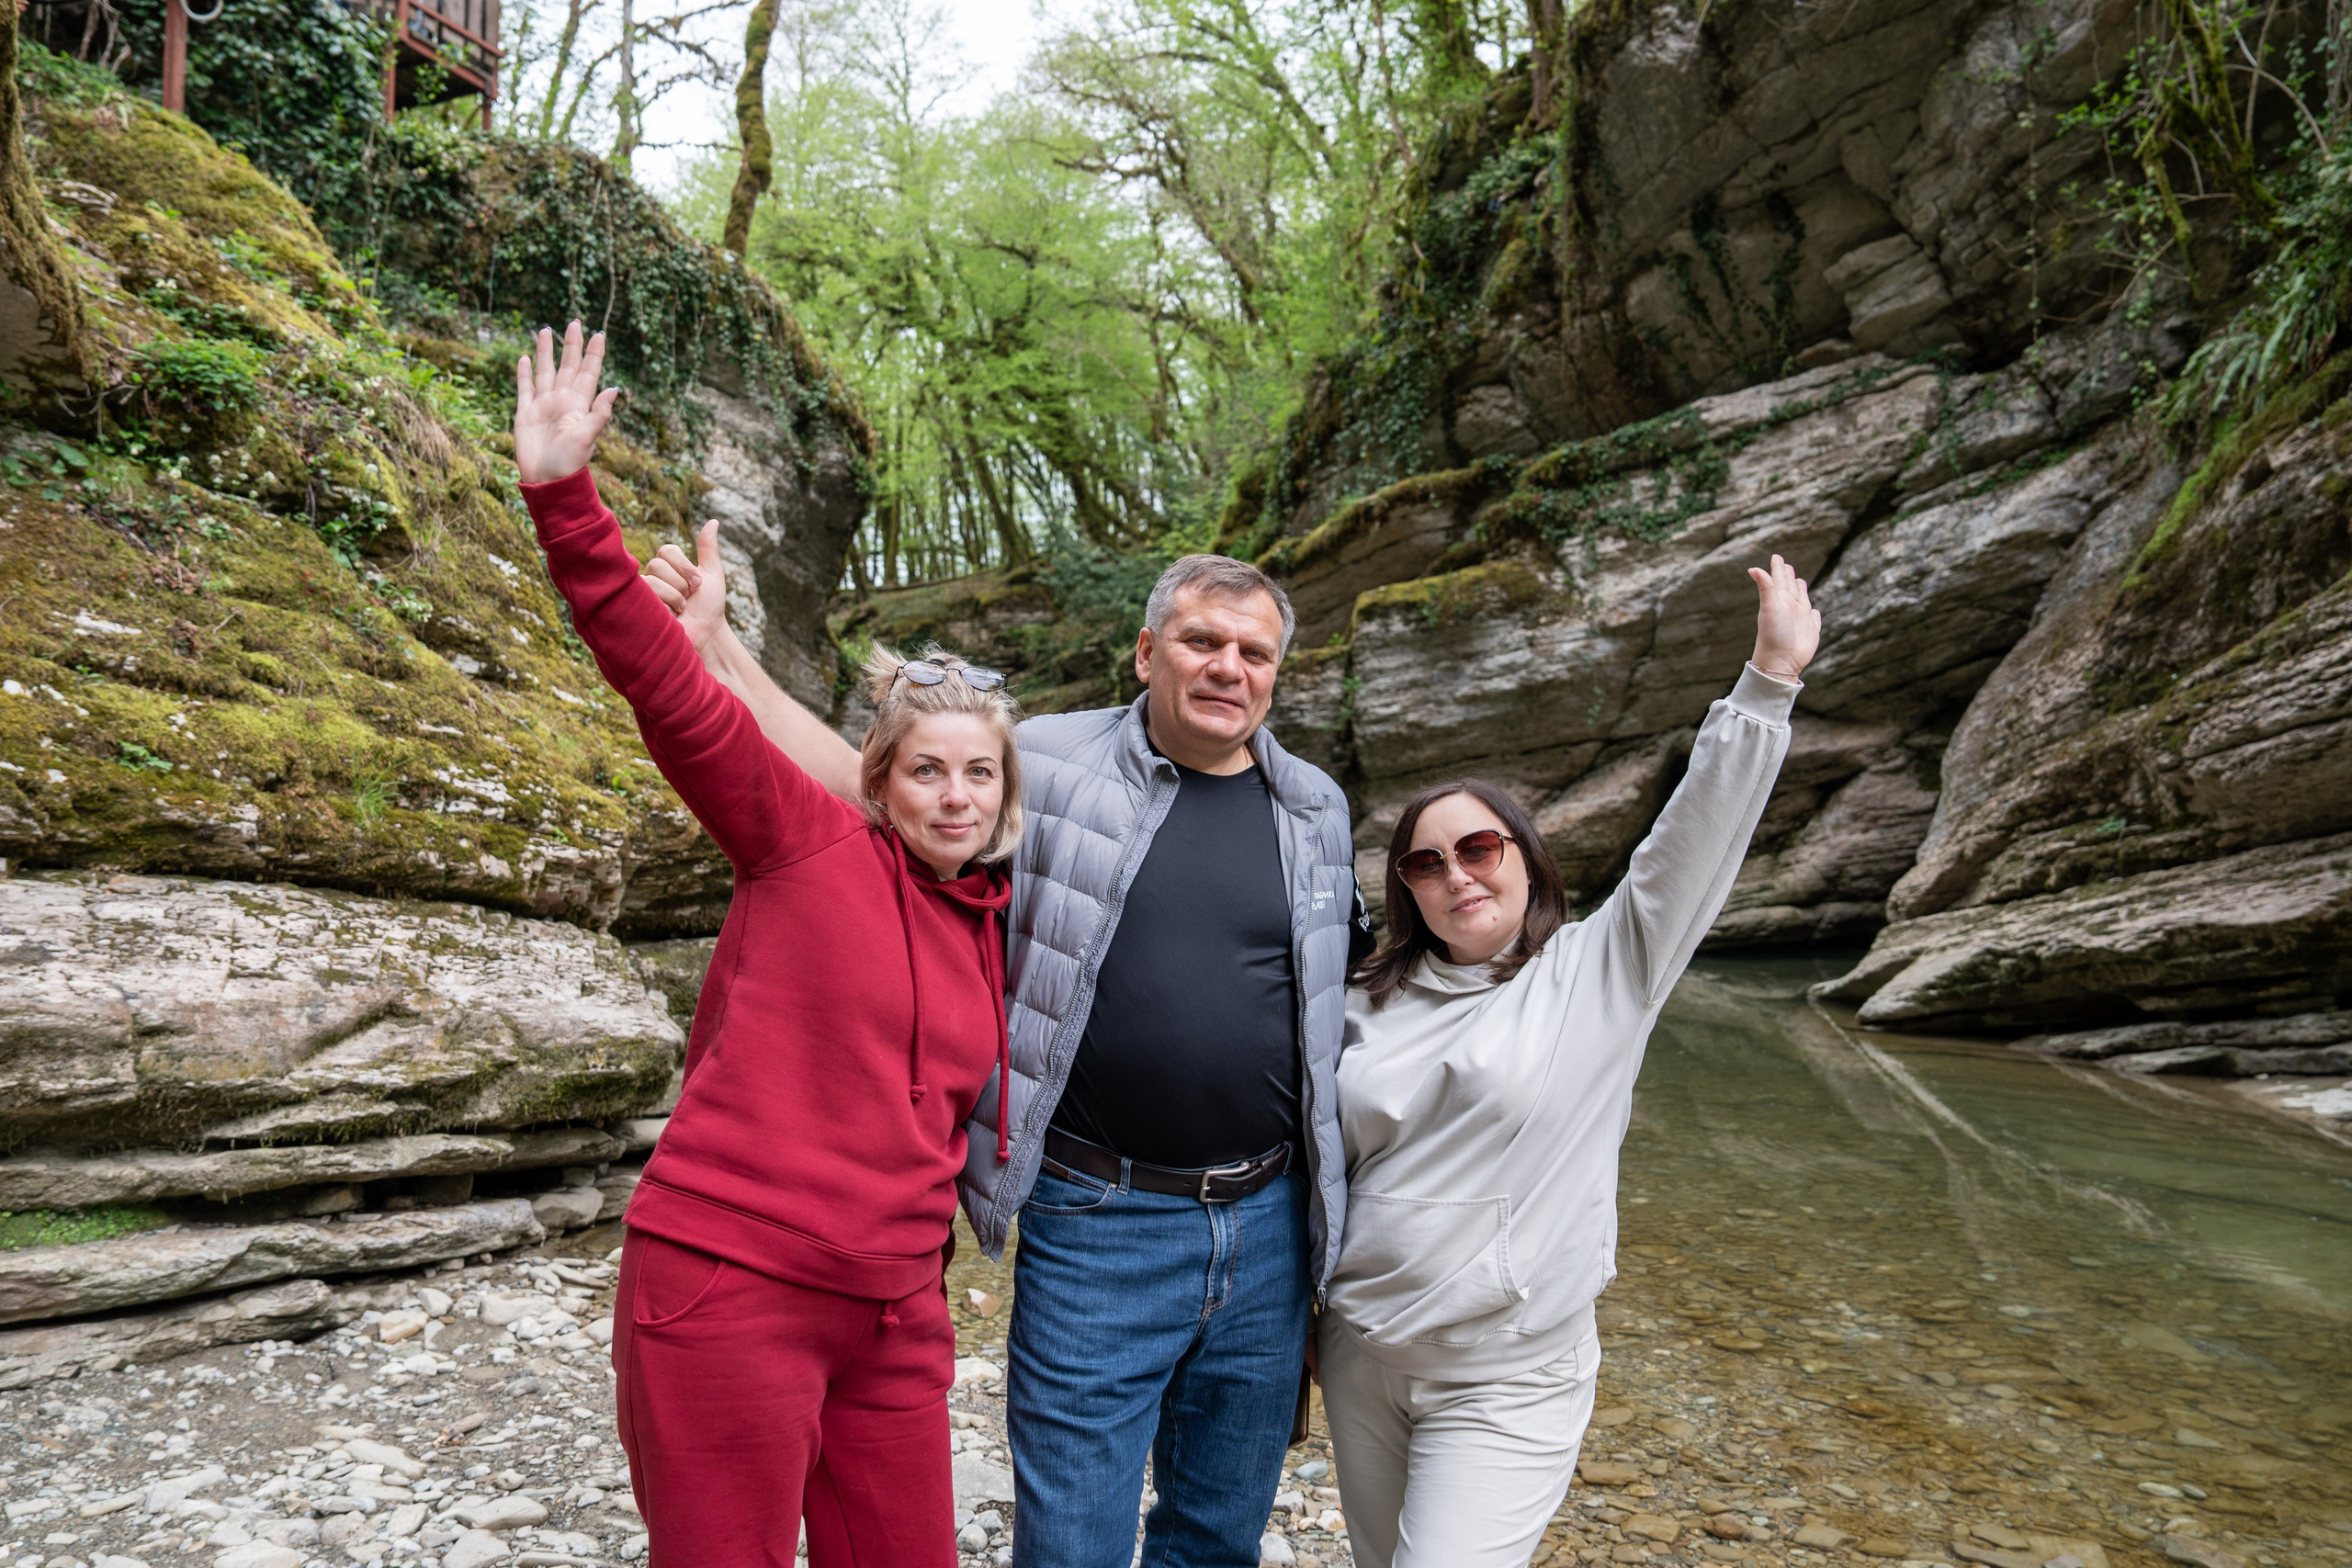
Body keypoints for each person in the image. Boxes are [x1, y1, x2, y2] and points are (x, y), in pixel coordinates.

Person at [643, 521, 1369, 1565]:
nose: (1229, 668)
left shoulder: (1314, 806)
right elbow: (869, 788)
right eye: (1203, 642)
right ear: (1145, 652)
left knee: (1218, 1533)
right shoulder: (1053, 763)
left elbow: (1340, 998)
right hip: (1098, 1216)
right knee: (1071, 1537)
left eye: (1254, 654)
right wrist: (719, 653)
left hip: (1264, 1225)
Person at [512, 320, 1023, 1566]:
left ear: (1008, 796)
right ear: (878, 780)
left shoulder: (998, 923)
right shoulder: (802, 842)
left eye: (981, 775)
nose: (955, 796)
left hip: (897, 1308)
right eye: (927, 770)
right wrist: (563, 501)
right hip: (731, 1282)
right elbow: (668, 692)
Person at [1314, 556, 1821, 1568]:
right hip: (1360, 1358)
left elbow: (1687, 848)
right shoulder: (1358, 998)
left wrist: (1766, 685)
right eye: (1424, 862)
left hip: (1507, 1374)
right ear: (1404, 888)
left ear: (1527, 859)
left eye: (1480, 848)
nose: (1455, 873)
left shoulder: (1600, 973)